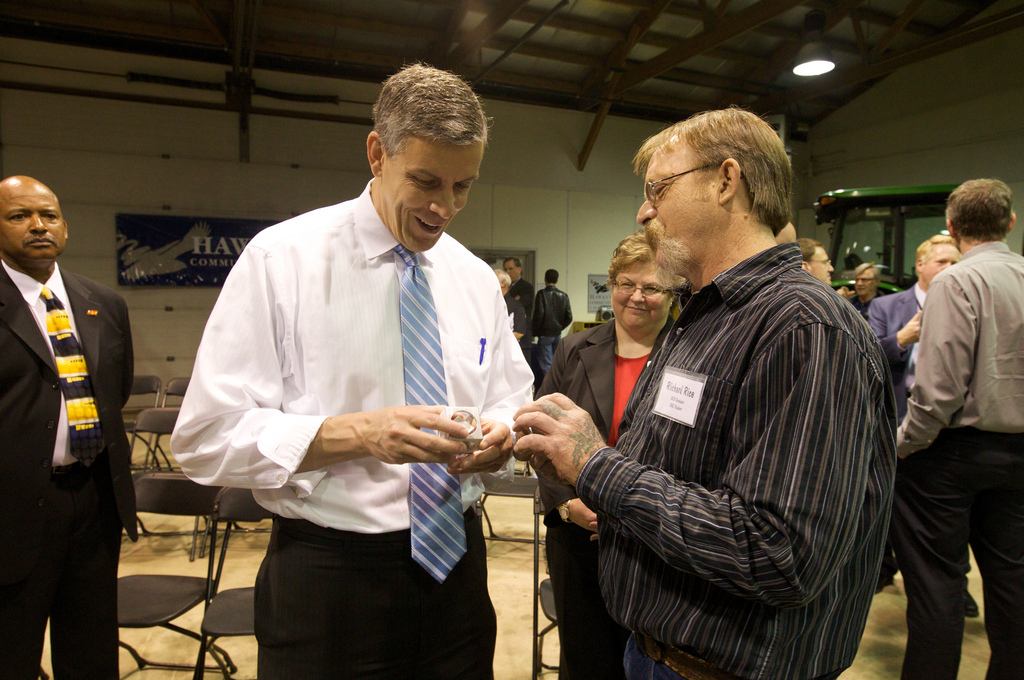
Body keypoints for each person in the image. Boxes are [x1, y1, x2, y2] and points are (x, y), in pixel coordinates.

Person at [171, 64, 534, 680]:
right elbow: (205, 440)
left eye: (463, 186)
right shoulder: (281, 260)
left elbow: (509, 392)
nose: (444, 208)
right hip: (331, 582)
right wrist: (357, 435)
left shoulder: (472, 276)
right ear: (376, 153)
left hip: (459, 575)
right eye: (424, 181)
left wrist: (501, 435)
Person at [513, 108, 896, 680]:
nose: (645, 211)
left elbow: (778, 553)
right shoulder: (704, 315)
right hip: (653, 653)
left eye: (658, 189)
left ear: (726, 180)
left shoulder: (803, 328)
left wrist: (597, 466)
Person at [0, 175, 137, 679]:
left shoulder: (103, 303)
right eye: (18, 216)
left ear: (65, 225)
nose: (38, 226)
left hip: (94, 499)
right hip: (12, 507)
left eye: (49, 215)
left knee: (91, 647)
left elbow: (114, 391)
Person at [894, 178, 1024, 680]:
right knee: (1013, 582)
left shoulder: (956, 282)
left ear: (951, 227)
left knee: (936, 587)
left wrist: (904, 445)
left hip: (951, 455)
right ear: (1009, 223)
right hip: (1018, 456)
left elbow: (939, 389)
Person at [538, 230, 680, 680]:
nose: (636, 296)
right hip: (579, 539)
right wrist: (566, 502)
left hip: (657, 544)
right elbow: (540, 434)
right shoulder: (574, 349)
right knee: (585, 660)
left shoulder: (693, 354)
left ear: (672, 292)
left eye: (651, 287)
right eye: (625, 283)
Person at [868, 235, 973, 608]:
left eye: (955, 261)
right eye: (943, 261)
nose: (950, 268)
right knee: (889, 510)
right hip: (899, 422)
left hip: (952, 433)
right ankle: (883, 569)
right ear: (921, 267)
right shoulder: (885, 305)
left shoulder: (966, 301)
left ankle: (951, 587)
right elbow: (866, 355)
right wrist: (902, 338)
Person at [531, 268, 573, 378]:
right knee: (555, 363)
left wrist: (535, 331)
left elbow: (539, 314)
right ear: (557, 280)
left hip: (545, 334)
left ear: (545, 279)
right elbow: (569, 317)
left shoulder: (542, 294)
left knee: (546, 364)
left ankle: (551, 388)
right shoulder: (563, 295)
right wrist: (559, 327)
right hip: (557, 334)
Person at [495, 268, 531, 361]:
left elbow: (519, 332)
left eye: (492, 279)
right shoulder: (491, 303)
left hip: (509, 354)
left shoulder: (515, 306)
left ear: (502, 283)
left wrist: (496, 343)